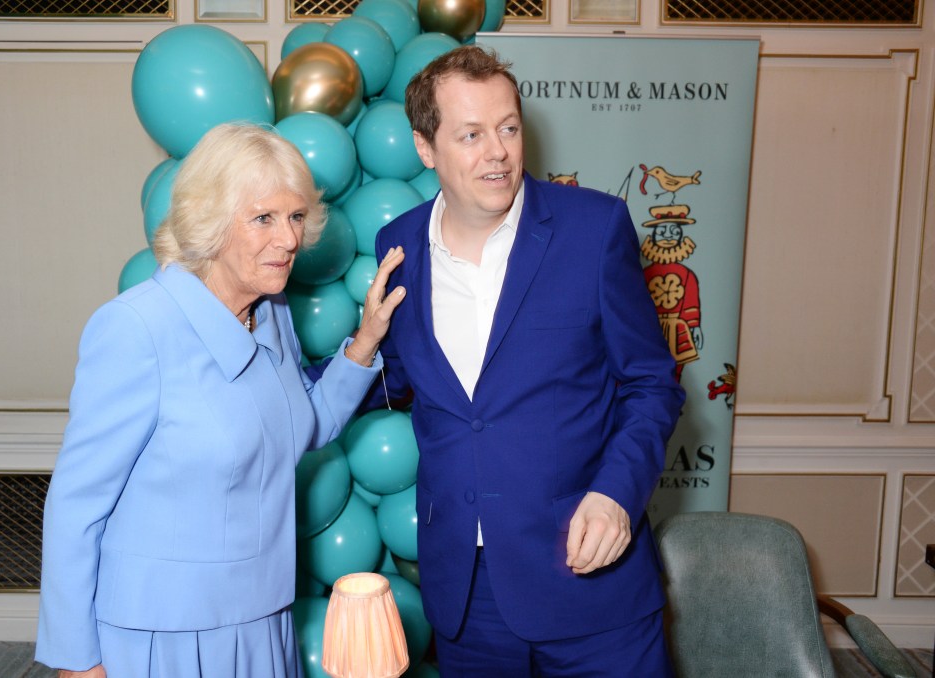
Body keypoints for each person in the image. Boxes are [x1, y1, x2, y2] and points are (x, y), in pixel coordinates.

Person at [35, 122, 405, 678]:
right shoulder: (136, 327)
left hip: (262, 620)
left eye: (296, 216)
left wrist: (366, 340)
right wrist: (76, 659)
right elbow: (76, 505)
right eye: (263, 218)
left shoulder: (271, 311)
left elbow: (299, 427)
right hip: (161, 637)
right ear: (209, 220)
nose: (288, 240)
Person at [371, 46, 686, 676]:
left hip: (590, 580)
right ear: (425, 148)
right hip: (466, 596)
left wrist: (617, 496)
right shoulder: (397, 243)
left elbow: (652, 384)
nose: (498, 152)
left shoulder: (595, 228)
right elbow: (400, 383)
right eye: (471, 135)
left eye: (508, 128)